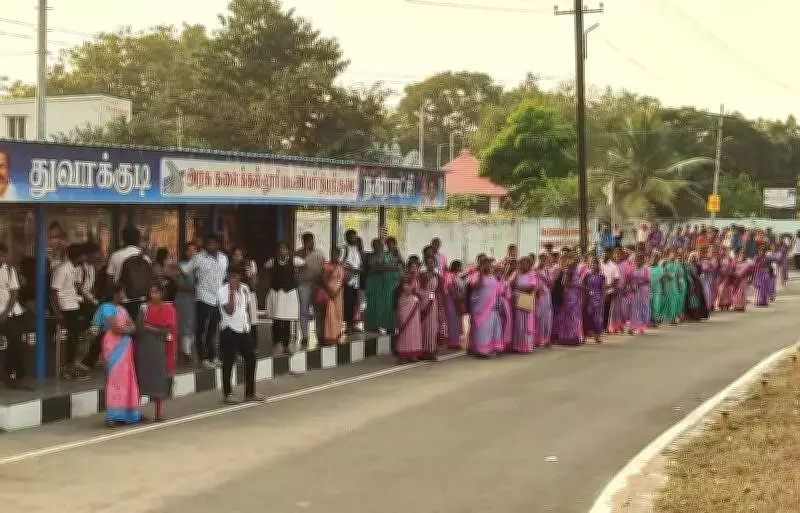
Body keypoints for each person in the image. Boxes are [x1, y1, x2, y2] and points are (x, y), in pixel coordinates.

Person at [93, 284, 140, 427]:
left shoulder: (122, 309)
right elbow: (115, 328)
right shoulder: (107, 308)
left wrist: (127, 329)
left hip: (125, 346)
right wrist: (128, 329)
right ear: (115, 294)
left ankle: (127, 414)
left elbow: (133, 326)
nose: (124, 294)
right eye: (122, 292)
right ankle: (112, 416)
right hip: (113, 345)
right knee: (115, 380)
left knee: (127, 379)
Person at [218, 265, 263, 404]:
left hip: (243, 329)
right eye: (232, 276)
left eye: (237, 276)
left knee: (251, 358)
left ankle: (250, 392)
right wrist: (232, 293)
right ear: (228, 277)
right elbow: (229, 311)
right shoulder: (222, 290)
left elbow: (245, 308)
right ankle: (227, 393)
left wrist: (248, 324)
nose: (235, 279)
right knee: (228, 362)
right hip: (229, 329)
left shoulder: (244, 288)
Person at [182, 233, 228, 370]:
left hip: (218, 299)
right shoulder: (199, 257)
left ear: (218, 245)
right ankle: (203, 358)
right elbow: (185, 269)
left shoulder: (224, 258)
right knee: (201, 329)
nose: (210, 246)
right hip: (203, 297)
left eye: (213, 243)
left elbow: (223, 277)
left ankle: (213, 356)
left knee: (213, 329)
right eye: (208, 243)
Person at [136, 283, 177, 422]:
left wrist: (150, 327)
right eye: (151, 291)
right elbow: (139, 327)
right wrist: (155, 329)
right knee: (141, 380)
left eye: (156, 292)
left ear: (161, 293)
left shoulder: (169, 309)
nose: (153, 294)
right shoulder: (144, 307)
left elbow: (167, 331)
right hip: (144, 348)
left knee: (159, 381)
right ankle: (135, 413)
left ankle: (158, 413)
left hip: (160, 349)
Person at [51, 244, 89, 380]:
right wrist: (58, 312)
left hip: (73, 304)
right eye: (83, 255)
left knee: (77, 336)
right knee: (72, 338)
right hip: (66, 307)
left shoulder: (74, 269)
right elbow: (54, 291)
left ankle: (74, 363)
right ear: (79, 256)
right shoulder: (62, 270)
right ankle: (68, 368)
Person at [265, 242, 305, 355]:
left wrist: (298, 278)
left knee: (287, 320)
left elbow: (304, 264)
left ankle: (286, 345)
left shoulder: (294, 260)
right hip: (277, 293)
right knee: (277, 320)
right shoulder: (272, 261)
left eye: (284, 249)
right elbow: (266, 267)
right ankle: (277, 343)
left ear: (288, 250)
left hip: (289, 294)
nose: (282, 251)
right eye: (280, 249)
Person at [0, 243, 29, 389]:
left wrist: (5, 313)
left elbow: (14, 295)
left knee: (15, 344)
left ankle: (16, 375)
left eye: (2, 255)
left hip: (10, 314)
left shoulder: (10, 271)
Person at [106, 227, 153, 320]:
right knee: (138, 326)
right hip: (141, 299)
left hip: (122, 300)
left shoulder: (116, 255)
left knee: (122, 326)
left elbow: (109, 281)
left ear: (123, 239)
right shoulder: (146, 258)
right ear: (138, 239)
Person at [467, 256, 504, 357]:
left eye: (488, 263)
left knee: (490, 329)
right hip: (480, 307)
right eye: (484, 264)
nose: (487, 265)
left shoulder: (492, 276)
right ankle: (480, 350)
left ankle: (490, 348)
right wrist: (481, 273)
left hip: (492, 307)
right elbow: (476, 286)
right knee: (482, 329)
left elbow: (499, 289)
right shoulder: (476, 275)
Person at [294, 233, 325, 347]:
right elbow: (294, 270)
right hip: (303, 286)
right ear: (304, 242)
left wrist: (322, 285)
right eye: (308, 241)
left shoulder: (319, 254)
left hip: (317, 285)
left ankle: (320, 335)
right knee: (304, 311)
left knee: (318, 312)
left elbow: (323, 270)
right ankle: (305, 336)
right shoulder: (297, 254)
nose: (311, 243)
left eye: (312, 241)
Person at [364, 237, 398, 333]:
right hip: (373, 284)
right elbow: (370, 269)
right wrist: (378, 268)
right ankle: (372, 325)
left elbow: (393, 267)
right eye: (374, 245)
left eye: (378, 245)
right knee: (373, 304)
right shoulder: (371, 256)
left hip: (385, 284)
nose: (376, 247)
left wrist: (377, 268)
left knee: (386, 305)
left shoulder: (387, 256)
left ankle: (389, 325)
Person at [394, 258, 423, 363]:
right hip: (405, 306)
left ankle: (412, 354)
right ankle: (402, 355)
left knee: (414, 330)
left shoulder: (418, 279)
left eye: (416, 267)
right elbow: (408, 290)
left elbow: (419, 291)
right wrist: (414, 278)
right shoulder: (405, 278)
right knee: (405, 330)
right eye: (412, 267)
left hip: (414, 307)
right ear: (408, 268)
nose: (414, 269)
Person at [510, 256, 540, 352]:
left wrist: (518, 288)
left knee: (525, 323)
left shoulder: (532, 274)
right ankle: (517, 345)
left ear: (529, 265)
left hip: (526, 299)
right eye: (521, 263)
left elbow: (531, 288)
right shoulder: (516, 273)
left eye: (525, 263)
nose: (522, 265)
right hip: (516, 300)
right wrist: (516, 275)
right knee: (518, 323)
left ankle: (525, 346)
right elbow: (511, 284)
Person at [553, 254, 584, 345]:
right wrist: (578, 285)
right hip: (569, 296)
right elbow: (565, 283)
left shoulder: (576, 270)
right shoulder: (568, 270)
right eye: (574, 260)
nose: (575, 262)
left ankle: (574, 337)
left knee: (575, 317)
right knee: (569, 317)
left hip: (576, 296)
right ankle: (566, 338)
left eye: (577, 260)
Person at [175, 245, 197, 365]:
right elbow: (179, 285)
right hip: (185, 299)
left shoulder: (198, 266)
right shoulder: (181, 266)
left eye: (195, 250)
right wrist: (196, 288)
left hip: (196, 299)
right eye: (190, 250)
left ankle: (188, 350)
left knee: (194, 325)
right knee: (186, 325)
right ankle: (185, 352)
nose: (193, 253)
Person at [419, 253, 443, 360]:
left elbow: (439, 292)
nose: (431, 264)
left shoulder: (437, 276)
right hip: (424, 302)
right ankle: (422, 351)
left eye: (432, 262)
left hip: (433, 303)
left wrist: (440, 305)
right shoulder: (422, 275)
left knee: (432, 327)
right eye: (428, 263)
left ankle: (431, 351)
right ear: (426, 264)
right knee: (423, 327)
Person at [320, 248, 345, 346]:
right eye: (334, 253)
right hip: (329, 294)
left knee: (338, 315)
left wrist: (337, 290)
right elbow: (323, 280)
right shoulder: (326, 266)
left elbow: (343, 280)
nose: (336, 255)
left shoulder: (341, 266)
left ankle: (337, 335)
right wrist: (330, 291)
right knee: (329, 316)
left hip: (338, 295)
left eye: (337, 254)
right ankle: (328, 337)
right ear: (331, 253)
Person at [341, 229, 363, 332]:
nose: (354, 238)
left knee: (354, 303)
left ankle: (353, 325)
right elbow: (341, 263)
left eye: (355, 236)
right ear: (347, 238)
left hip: (356, 281)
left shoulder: (356, 249)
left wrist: (358, 270)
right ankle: (348, 326)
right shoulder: (345, 249)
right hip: (347, 281)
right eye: (352, 236)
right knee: (347, 303)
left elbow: (360, 264)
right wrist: (351, 269)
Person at [582, 256, 605, 344]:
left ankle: (597, 336)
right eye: (592, 263)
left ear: (598, 265)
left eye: (595, 263)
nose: (593, 265)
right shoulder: (587, 275)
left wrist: (603, 299)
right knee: (587, 317)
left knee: (597, 318)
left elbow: (603, 288)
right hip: (588, 298)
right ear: (589, 264)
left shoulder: (601, 276)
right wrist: (586, 292)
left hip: (598, 299)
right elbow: (582, 285)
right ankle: (584, 337)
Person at [443, 261, 465, 350]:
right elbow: (449, 287)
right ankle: (452, 342)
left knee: (457, 321)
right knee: (452, 320)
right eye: (460, 266)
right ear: (456, 267)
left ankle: (456, 341)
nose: (461, 268)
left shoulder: (458, 276)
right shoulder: (449, 275)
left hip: (458, 300)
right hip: (451, 300)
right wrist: (456, 296)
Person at [534, 253, 554, 347]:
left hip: (546, 295)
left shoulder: (547, 271)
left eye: (544, 259)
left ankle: (546, 339)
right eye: (541, 259)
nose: (542, 261)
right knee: (538, 316)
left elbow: (551, 284)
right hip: (537, 295)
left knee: (547, 317)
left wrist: (545, 279)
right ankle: (537, 339)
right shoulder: (534, 270)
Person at [629, 253, 651, 334]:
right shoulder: (632, 269)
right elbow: (629, 280)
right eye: (637, 259)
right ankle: (632, 327)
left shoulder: (646, 270)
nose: (638, 261)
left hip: (643, 291)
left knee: (643, 308)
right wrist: (632, 286)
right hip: (634, 291)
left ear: (643, 261)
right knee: (634, 309)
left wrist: (639, 283)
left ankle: (641, 328)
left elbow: (648, 281)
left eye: (640, 260)